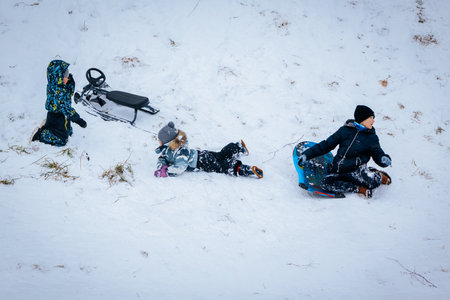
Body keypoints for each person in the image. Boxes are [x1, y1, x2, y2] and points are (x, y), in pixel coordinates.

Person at [298, 105, 391, 198]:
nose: (373, 121)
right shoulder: (345, 131)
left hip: (356, 171)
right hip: (338, 169)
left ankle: (378, 175)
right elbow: (326, 145)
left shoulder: (371, 138)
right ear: (362, 118)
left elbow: (377, 153)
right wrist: (307, 154)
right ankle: (357, 188)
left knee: (371, 183)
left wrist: (383, 159)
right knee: (326, 184)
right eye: (371, 118)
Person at [154, 122, 263, 178]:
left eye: (160, 140)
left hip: (202, 162)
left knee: (222, 166)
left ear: (167, 142)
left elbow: (181, 167)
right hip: (202, 155)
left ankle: (243, 169)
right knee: (221, 155)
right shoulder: (171, 149)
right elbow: (163, 158)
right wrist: (161, 166)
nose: (158, 141)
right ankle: (237, 147)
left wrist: (167, 171)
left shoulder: (180, 153)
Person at [30, 60, 87, 146]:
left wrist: (70, 80)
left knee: (67, 130)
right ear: (59, 76)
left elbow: (68, 92)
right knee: (61, 140)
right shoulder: (58, 92)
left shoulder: (56, 85)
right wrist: (79, 120)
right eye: (65, 75)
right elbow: (67, 109)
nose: (67, 77)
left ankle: (60, 130)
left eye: (67, 75)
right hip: (56, 117)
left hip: (62, 115)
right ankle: (41, 134)